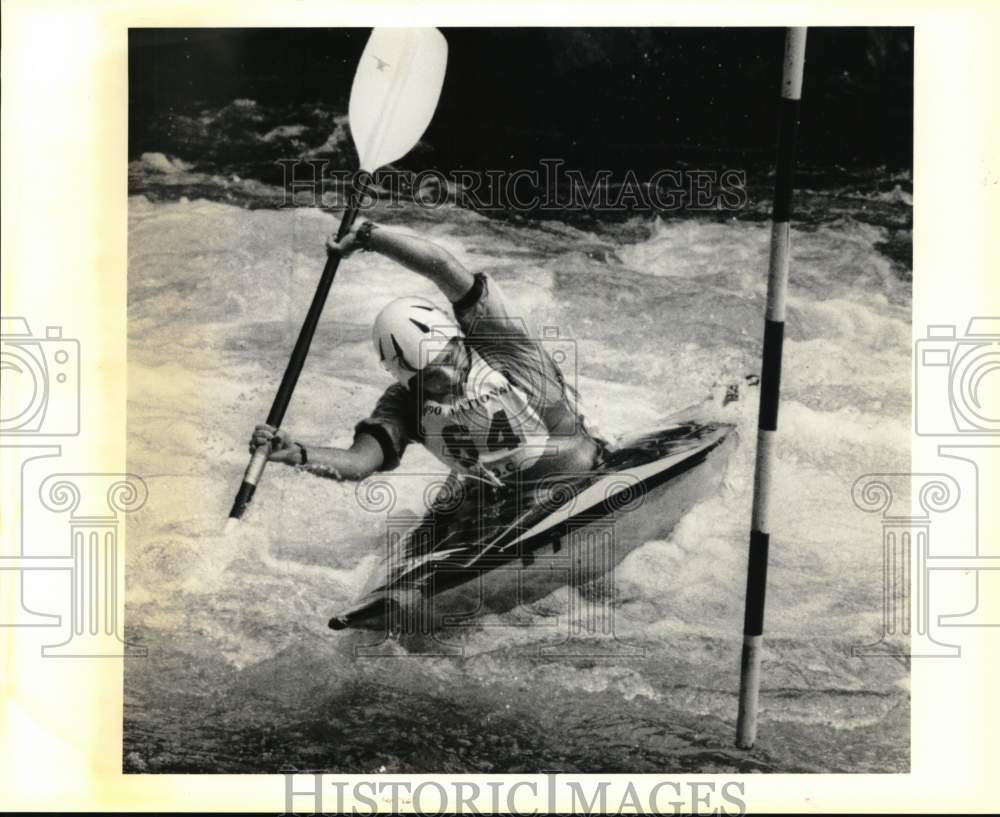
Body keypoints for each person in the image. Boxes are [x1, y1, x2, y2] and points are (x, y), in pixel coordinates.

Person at [250, 219, 606, 510]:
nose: (448, 375)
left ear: (457, 339)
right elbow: (359, 463)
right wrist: (297, 453)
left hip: (582, 472)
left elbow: (442, 267)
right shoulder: (403, 404)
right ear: (409, 382)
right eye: (432, 376)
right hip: (499, 506)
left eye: (450, 357)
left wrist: (368, 237)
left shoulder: (500, 343)